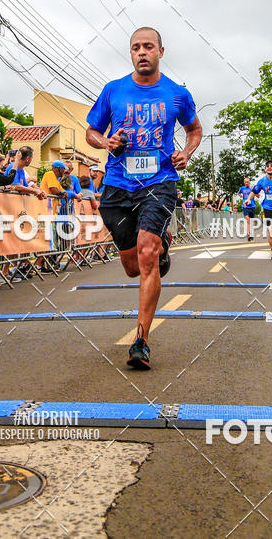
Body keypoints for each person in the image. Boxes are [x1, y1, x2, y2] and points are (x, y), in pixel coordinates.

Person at [86, 27, 202, 370]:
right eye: (136, 47)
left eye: (148, 46)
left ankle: (141, 341)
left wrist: (188, 152)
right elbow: (92, 131)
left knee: (147, 253)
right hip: (119, 185)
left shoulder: (177, 94)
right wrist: (106, 142)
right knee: (132, 267)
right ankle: (161, 247)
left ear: (160, 51)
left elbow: (194, 130)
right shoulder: (113, 91)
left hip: (159, 181)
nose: (141, 52)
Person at [237, 176, 256, 241]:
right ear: (244, 182)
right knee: (247, 220)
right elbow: (238, 193)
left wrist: (253, 190)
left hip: (252, 205)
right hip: (245, 206)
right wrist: (241, 196)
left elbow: (258, 195)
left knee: (251, 221)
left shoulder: (252, 188)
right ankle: (248, 234)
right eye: (245, 182)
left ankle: (251, 233)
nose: (246, 183)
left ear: (249, 182)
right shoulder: (242, 188)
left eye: (247, 182)